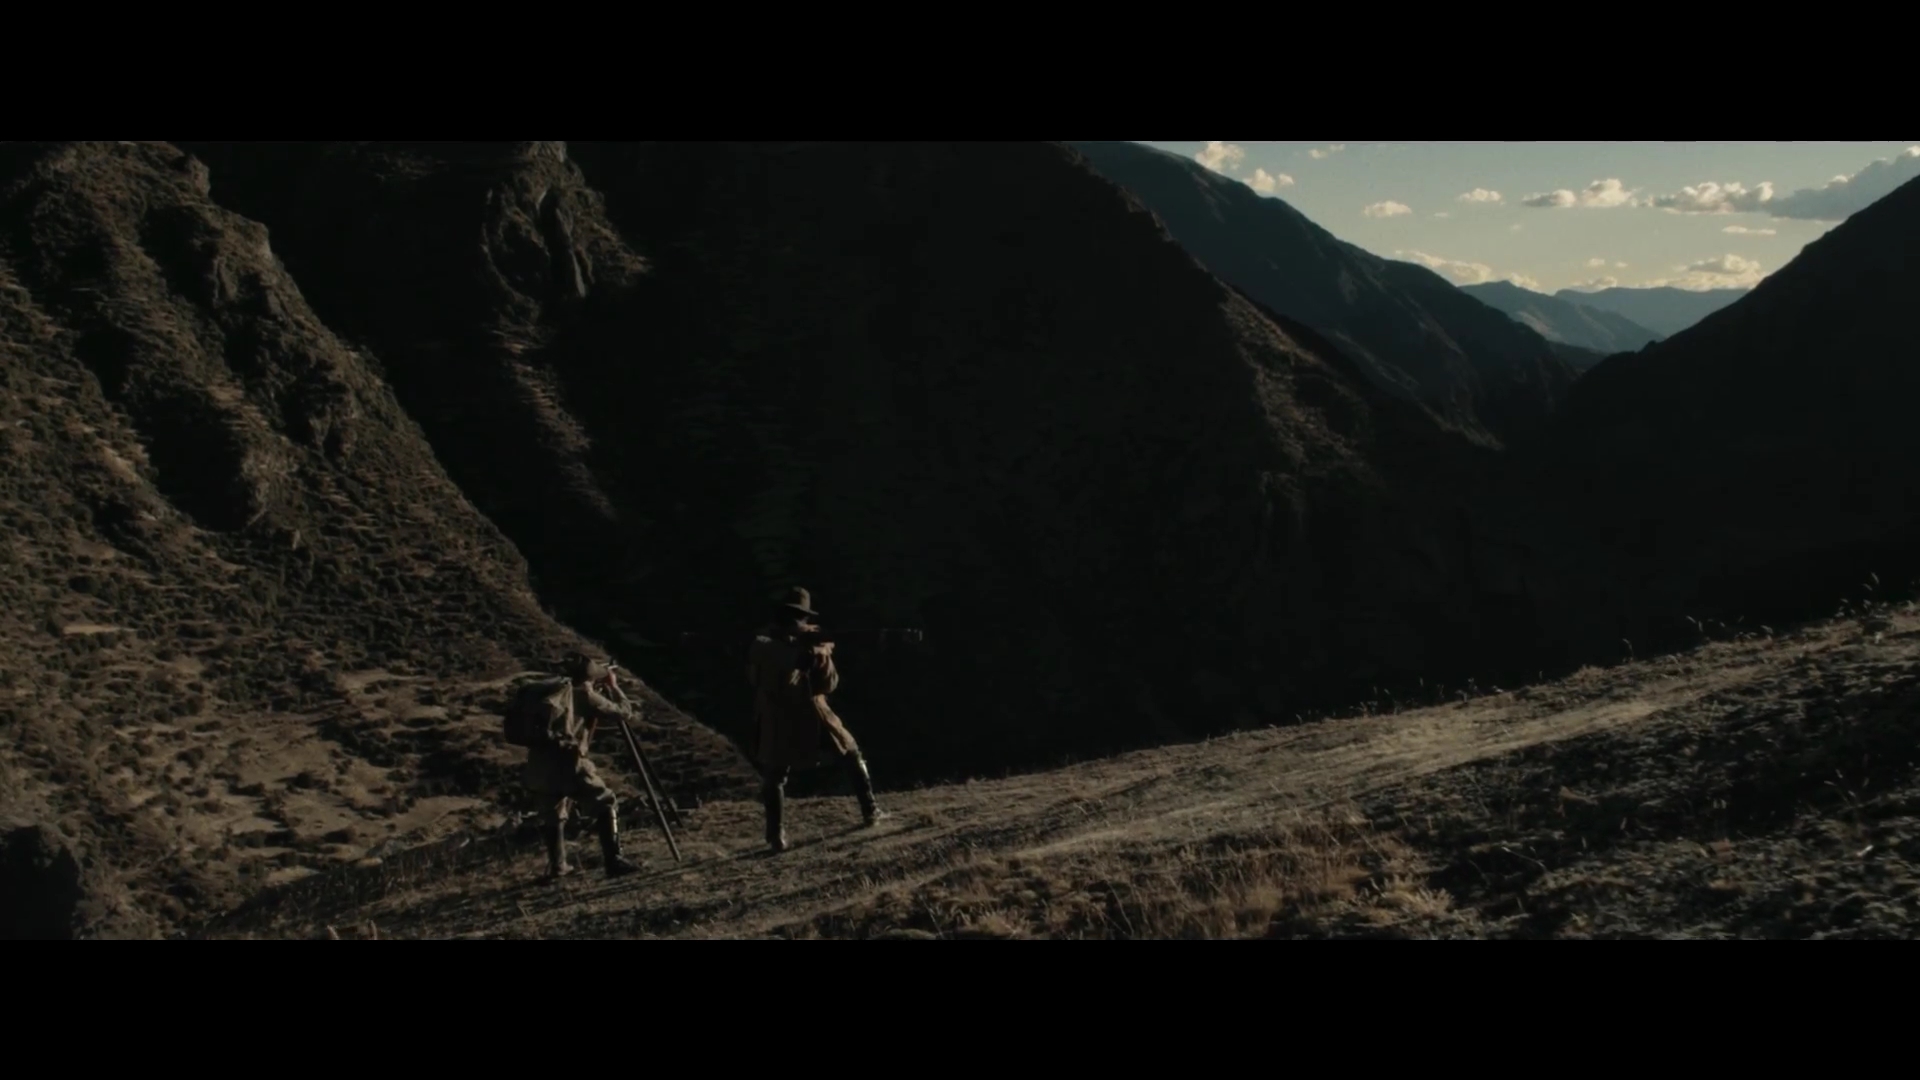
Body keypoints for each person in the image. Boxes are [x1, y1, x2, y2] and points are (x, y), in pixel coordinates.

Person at [747, 587, 886, 853]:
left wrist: (818, 654)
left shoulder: (773, 643)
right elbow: (811, 680)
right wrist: (809, 654)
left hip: (796, 712)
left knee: (846, 753)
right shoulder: (766, 644)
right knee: (780, 773)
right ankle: (777, 836)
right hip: (792, 712)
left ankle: (869, 811)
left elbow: (824, 684)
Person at [521, 651, 643, 880]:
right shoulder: (586, 695)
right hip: (569, 762)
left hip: (539, 764)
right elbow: (624, 712)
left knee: (553, 815)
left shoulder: (553, 692)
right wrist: (614, 687)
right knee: (606, 801)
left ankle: (558, 867)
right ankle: (614, 860)